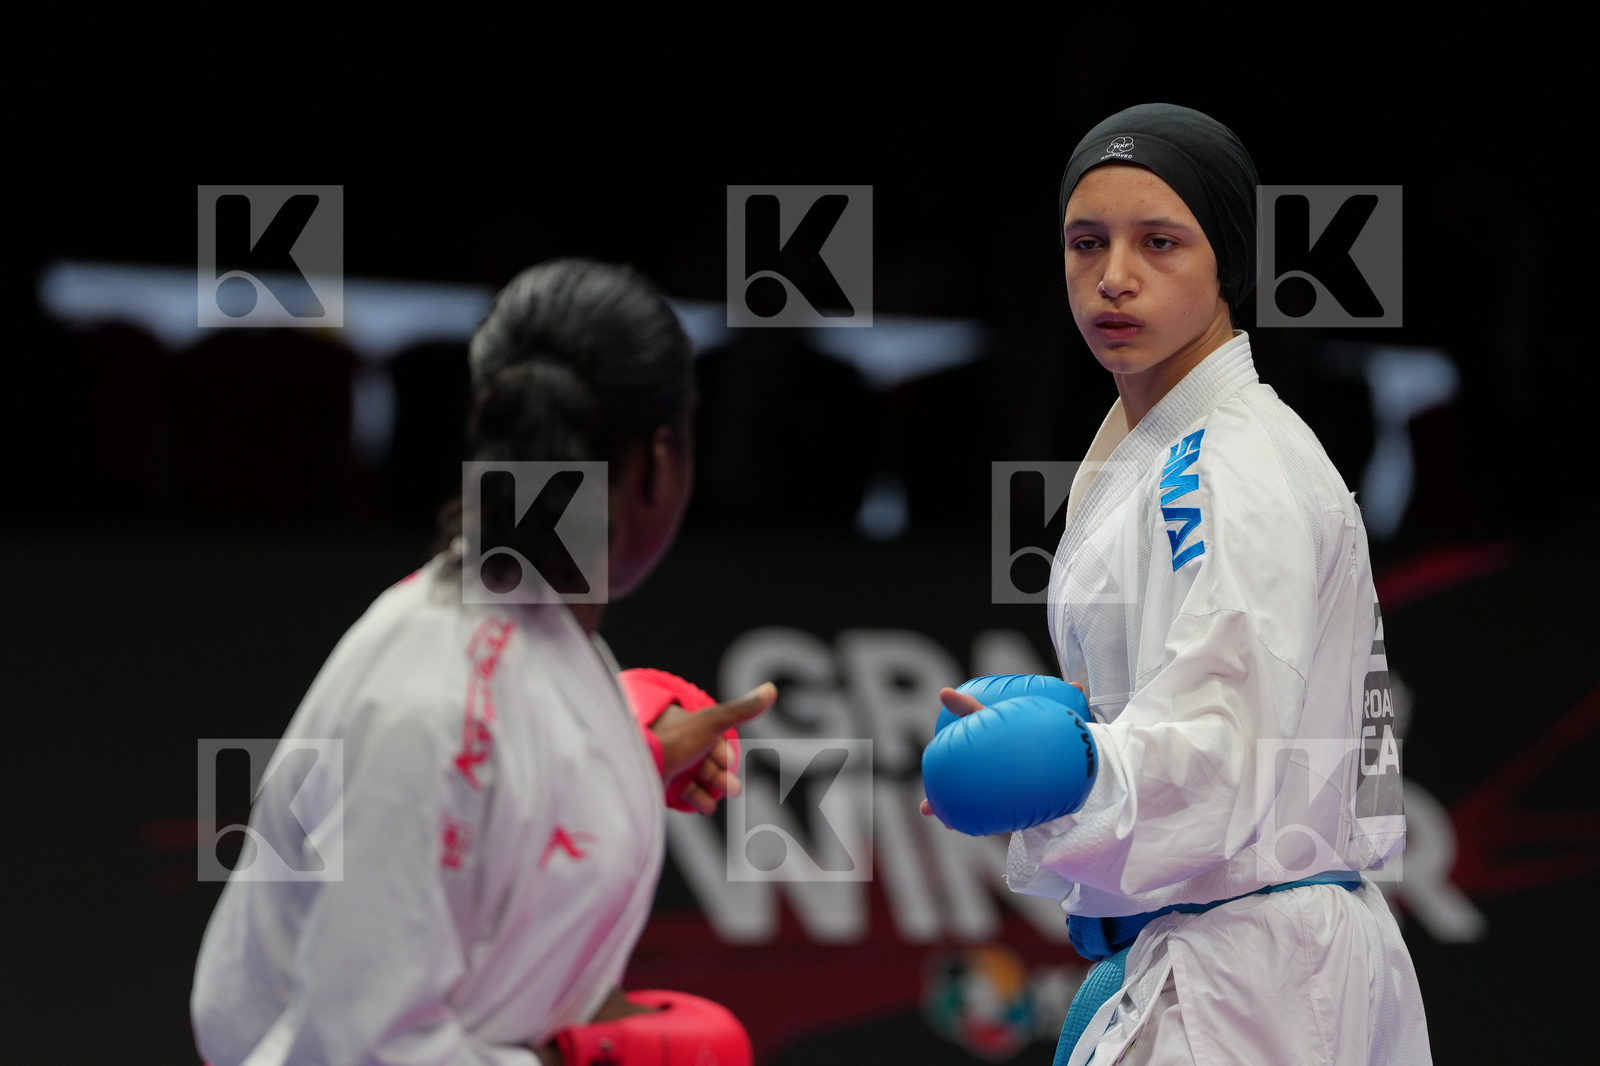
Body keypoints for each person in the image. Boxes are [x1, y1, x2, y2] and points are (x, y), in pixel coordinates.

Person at [920, 104, 1431, 1064]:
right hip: (1253, 956)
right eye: (1087, 242)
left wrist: (1076, 765)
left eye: (1160, 242)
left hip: (1260, 978)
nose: (1114, 277)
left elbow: (1225, 748)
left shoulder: (1226, 466)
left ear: (1226, 263)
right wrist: (1088, 733)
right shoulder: (1173, 448)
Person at [192, 258, 774, 1066]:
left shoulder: (532, 632)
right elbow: (355, 1051)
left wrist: (623, 756)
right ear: (659, 461)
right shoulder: (430, 704)